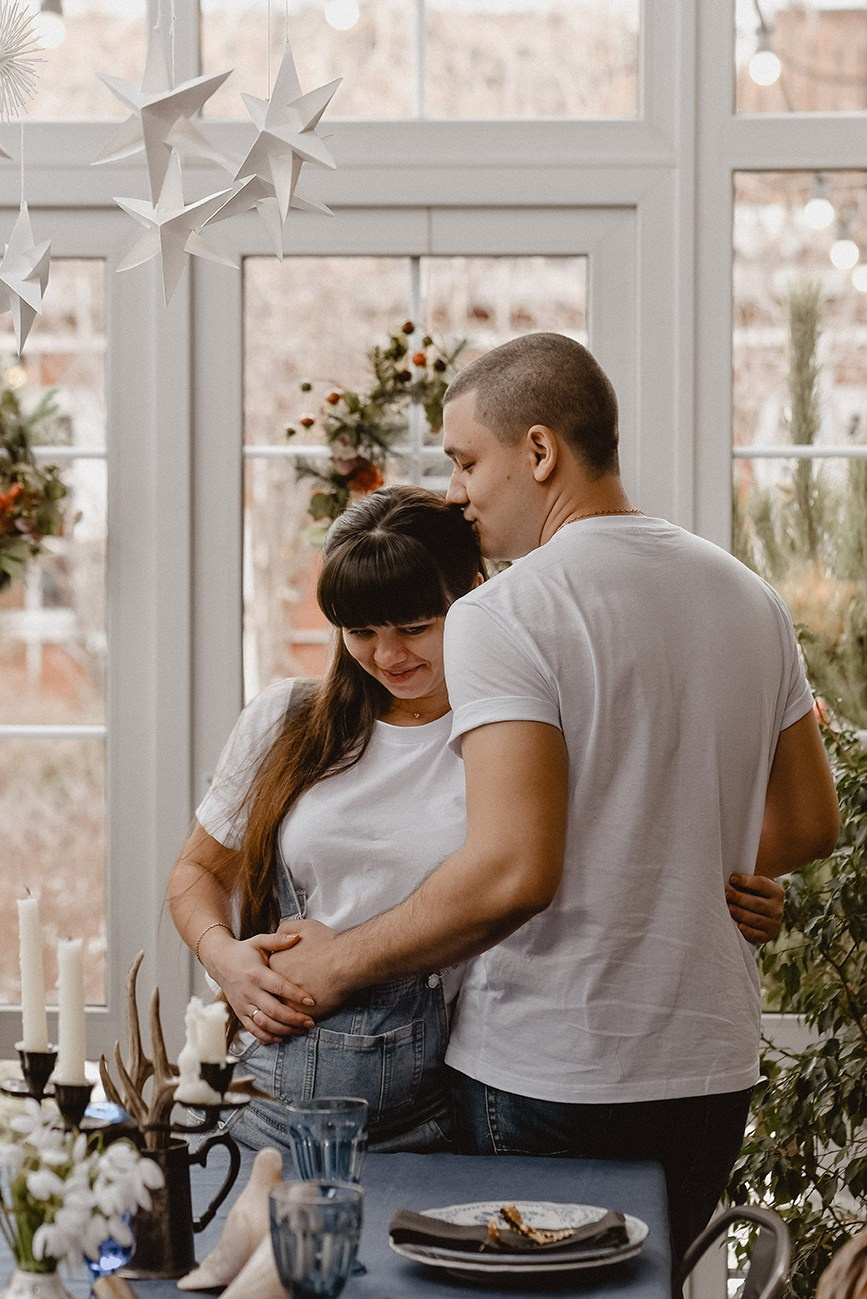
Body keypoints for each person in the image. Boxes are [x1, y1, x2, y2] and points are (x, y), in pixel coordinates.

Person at [264, 333, 840, 1266]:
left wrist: (338, 964)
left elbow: (512, 871)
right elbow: (811, 821)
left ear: (538, 452)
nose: (457, 491)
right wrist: (700, 863)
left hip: (547, 1067)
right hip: (709, 1063)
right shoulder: (748, 596)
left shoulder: (509, 609)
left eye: (464, 460)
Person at [167, 481, 784, 1158]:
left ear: (476, 594)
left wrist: (728, 877)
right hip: (270, 1103)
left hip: (447, 1109)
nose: (387, 655)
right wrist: (224, 957)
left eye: (414, 627)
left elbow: (624, 847)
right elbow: (196, 870)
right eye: (361, 631)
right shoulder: (286, 719)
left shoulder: (521, 736)